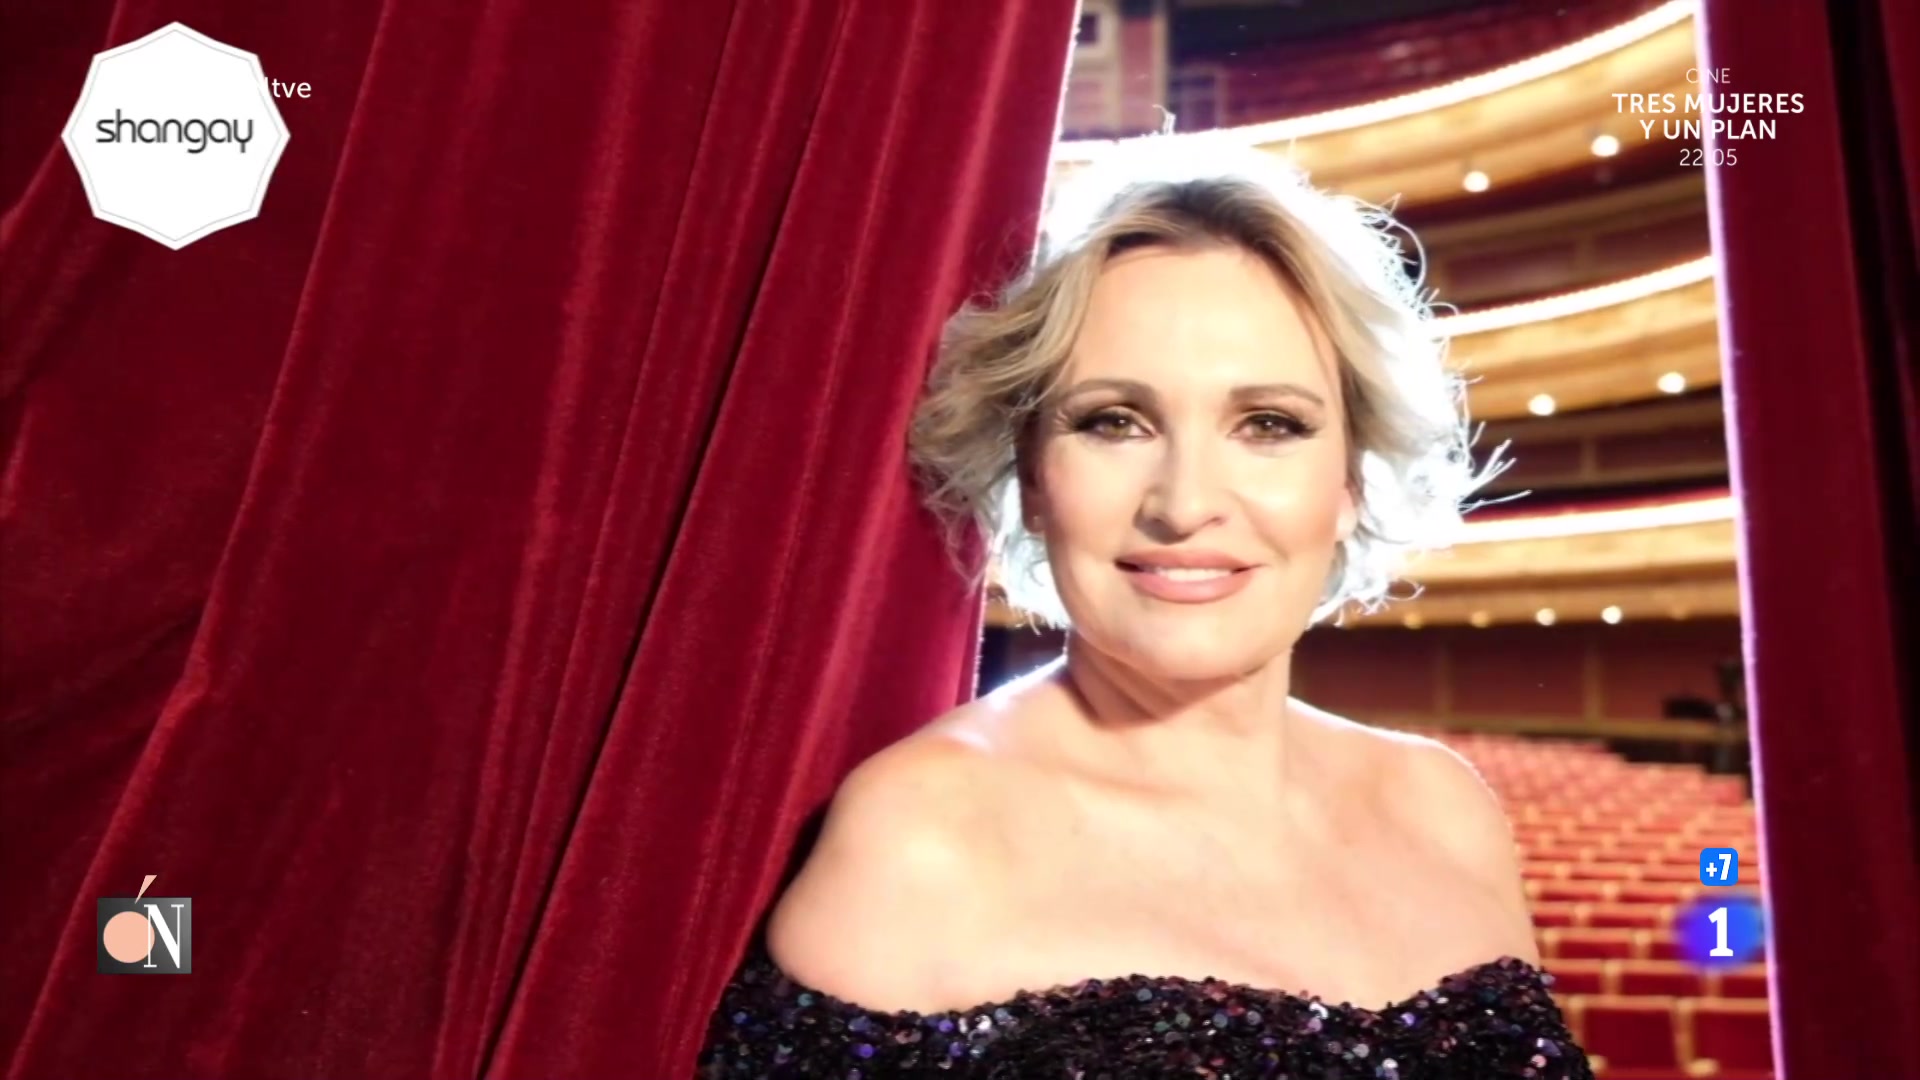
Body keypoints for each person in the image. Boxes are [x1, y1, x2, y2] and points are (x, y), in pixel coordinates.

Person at [698, 141, 1590, 1077]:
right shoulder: (921, 838)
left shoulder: (1445, 809)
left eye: (1269, 424)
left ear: (1351, 482)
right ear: (1032, 479)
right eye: (1113, 421)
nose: (1184, 502)